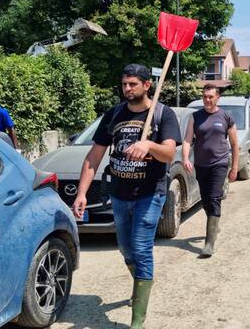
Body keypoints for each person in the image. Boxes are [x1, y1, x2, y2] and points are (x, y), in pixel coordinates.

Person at [72, 63, 181, 329]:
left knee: (142, 248)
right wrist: (82, 193)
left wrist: (149, 144)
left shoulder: (163, 115)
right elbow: (94, 156)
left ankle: (137, 322)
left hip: (150, 193)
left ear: (147, 85)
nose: (127, 89)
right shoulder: (114, 115)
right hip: (119, 193)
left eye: (133, 84)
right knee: (125, 248)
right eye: (124, 84)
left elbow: (169, 154)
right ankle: (139, 283)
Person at [182, 83, 239, 257]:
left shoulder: (226, 117)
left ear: (217, 98)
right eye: (205, 97)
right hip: (201, 164)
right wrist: (185, 158)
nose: (207, 100)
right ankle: (214, 222)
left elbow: (235, 144)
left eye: (211, 97)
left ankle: (209, 243)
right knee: (205, 199)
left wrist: (234, 167)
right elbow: (187, 140)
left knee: (214, 198)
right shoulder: (195, 117)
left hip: (219, 164)